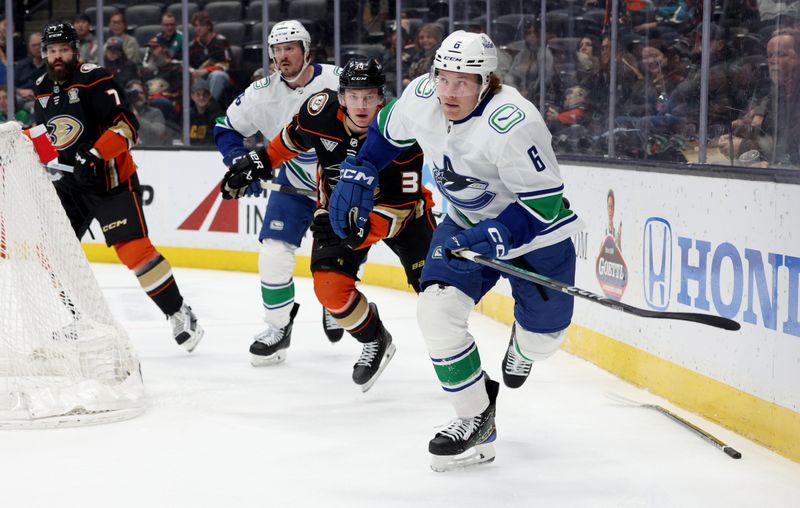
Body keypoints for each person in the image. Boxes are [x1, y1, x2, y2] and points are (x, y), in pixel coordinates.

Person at [326, 31, 583, 470]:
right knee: (436, 312)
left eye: (463, 82)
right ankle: (476, 417)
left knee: (544, 342)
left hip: (539, 237)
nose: (449, 91)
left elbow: (541, 204)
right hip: (464, 223)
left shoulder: (514, 121)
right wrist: (363, 166)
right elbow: (388, 134)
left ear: (487, 81)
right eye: (443, 77)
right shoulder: (423, 96)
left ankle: (525, 346)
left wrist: (500, 236)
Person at [221, 57, 435, 389]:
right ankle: (375, 338)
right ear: (341, 94)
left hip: (402, 218)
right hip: (339, 213)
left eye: (369, 96)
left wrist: (361, 225)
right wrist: (259, 163)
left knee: (438, 300)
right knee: (330, 291)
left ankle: (462, 370)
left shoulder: (401, 128)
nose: (361, 105)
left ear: (382, 97)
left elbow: (403, 205)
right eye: (353, 96)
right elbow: (288, 142)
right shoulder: (319, 111)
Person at [32, 22, 203, 352]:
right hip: (70, 183)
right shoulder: (41, 86)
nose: (57, 57)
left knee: (135, 252)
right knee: (53, 251)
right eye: (51, 51)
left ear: (74, 51)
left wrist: (95, 153)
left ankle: (179, 313)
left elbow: (128, 127)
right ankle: (81, 318)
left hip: (110, 179)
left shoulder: (94, 78)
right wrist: (26, 146)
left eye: (63, 50)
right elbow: (52, 138)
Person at [214, 20, 343, 366]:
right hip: (294, 187)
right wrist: (242, 161)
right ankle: (278, 327)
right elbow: (226, 128)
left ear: (306, 50)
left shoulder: (338, 80)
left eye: (290, 48)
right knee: (272, 255)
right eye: (278, 51)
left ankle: (338, 304)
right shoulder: (261, 93)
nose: (284, 56)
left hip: (339, 188)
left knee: (333, 267)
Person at [188, 11, 232, 103]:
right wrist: (192, 71)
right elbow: (188, 65)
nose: (198, 29)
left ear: (208, 26)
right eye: (196, 26)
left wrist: (206, 70)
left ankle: (210, 106)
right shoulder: (192, 45)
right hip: (200, 78)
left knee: (216, 75)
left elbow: (226, 65)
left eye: (201, 25)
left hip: (221, 76)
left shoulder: (220, 41)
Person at [189, 79, 223, 145]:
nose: (201, 97)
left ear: (209, 95)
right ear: (192, 96)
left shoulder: (218, 116)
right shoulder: (188, 115)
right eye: (198, 94)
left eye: (204, 94)